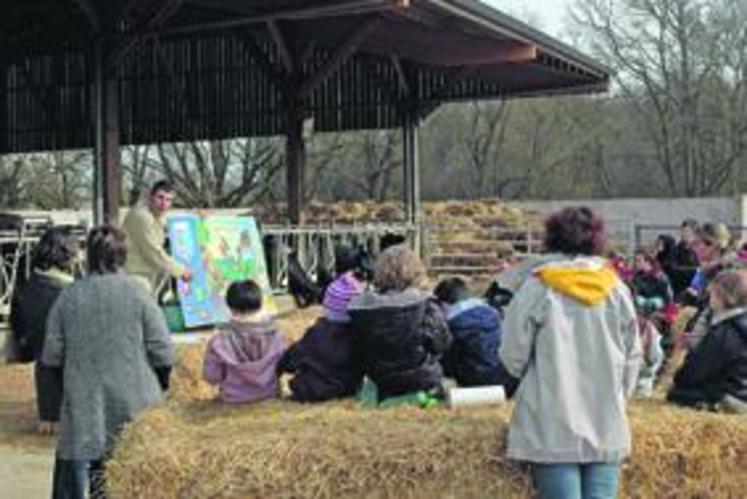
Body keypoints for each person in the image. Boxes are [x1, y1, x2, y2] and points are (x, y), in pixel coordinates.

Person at [499, 206, 642, 499]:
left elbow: (512, 356)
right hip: (605, 419)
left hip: (552, 420)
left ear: (551, 238)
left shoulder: (537, 287)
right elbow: (633, 355)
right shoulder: (616, 289)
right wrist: (618, 396)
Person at [41, 225, 174, 499]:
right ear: (123, 256)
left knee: (83, 476)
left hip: (84, 402)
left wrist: (67, 386)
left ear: (88, 255)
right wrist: (161, 384)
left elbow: (51, 356)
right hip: (136, 402)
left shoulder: (68, 297)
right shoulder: (139, 293)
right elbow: (162, 351)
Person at [348, 245, 451, 402]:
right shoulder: (425, 305)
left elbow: (357, 348)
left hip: (380, 382)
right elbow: (442, 342)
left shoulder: (360, 308)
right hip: (422, 381)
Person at [9, 228, 79, 434]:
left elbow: (18, 325)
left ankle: (48, 415)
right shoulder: (67, 291)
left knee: (46, 359)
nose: (78, 255)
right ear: (63, 252)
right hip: (68, 367)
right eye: (75, 249)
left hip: (41, 358)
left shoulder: (28, 284)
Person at [280, 246, 368, 402]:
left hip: (315, 390)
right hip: (349, 388)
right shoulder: (361, 335)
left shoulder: (316, 333)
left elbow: (291, 361)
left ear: (326, 307)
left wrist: (281, 365)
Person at [667, 270, 747, 414]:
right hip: (740, 391)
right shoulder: (739, 324)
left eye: (713, 290)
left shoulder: (724, 333)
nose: (709, 293)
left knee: (675, 393)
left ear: (722, 294)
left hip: (729, 396)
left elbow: (689, 375)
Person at [203, 280, 287, 403]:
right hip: (269, 395)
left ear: (230, 307)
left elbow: (212, 376)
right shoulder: (276, 334)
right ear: (260, 304)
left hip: (233, 399)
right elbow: (284, 366)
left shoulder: (219, 339)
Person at [433, 277, 518, 395]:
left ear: (444, 304)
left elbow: (447, 364)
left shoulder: (451, 324)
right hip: (510, 382)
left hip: (477, 386)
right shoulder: (494, 314)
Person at [122, 179, 191, 293]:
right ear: (151, 197)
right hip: (133, 277)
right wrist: (180, 271)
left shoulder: (158, 216)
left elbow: (170, 228)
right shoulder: (141, 216)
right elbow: (153, 252)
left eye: (168, 200)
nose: (164, 203)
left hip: (146, 277)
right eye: (160, 197)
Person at [669, 219, 700, 299]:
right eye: (683, 231)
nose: (684, 234)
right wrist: (695, 270)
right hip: (680, 289)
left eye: (687, 231)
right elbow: (673, 269)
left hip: (698, 289)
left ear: (695, 233)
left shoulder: (700, 249)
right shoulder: (676, 250)